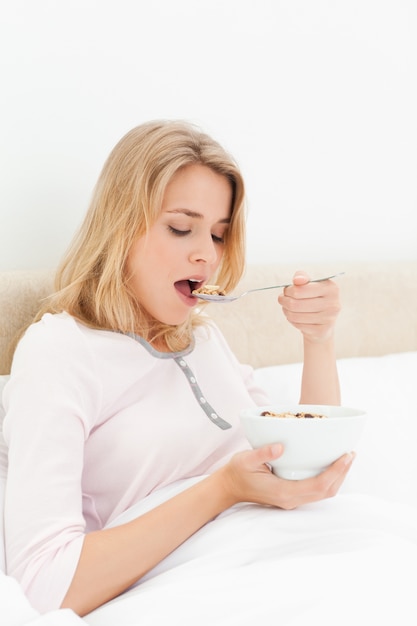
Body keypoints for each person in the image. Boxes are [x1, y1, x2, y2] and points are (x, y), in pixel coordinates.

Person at [2, 120, 352, 617]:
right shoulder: (60, 350)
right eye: (181, 228)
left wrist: (318, 341)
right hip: (212, 589)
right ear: (120, 226)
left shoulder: (205, 337)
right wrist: (223, 489)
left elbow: (305, 469)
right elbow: (45, 585)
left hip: (313, 552)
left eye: (219, 235)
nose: (206, 255)